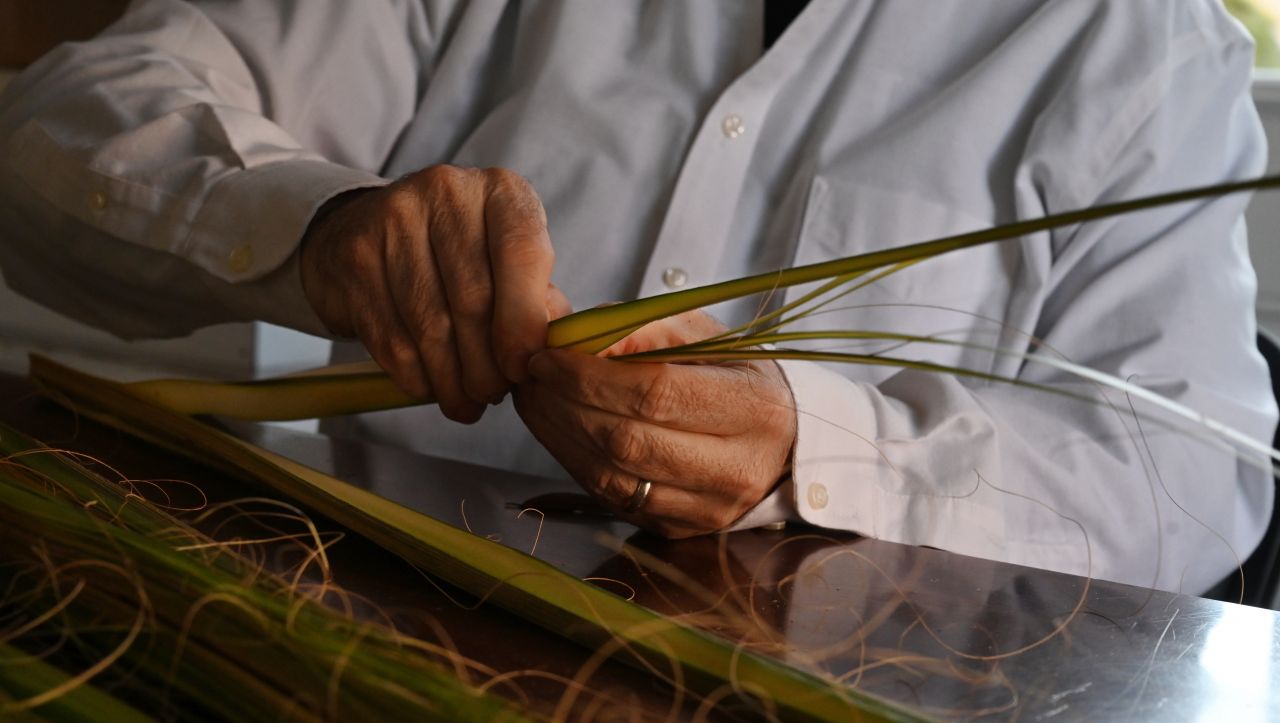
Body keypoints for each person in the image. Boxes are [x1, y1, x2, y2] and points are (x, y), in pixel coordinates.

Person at [0, 0, 1273, 594]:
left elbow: (1192, 471)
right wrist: (324, 227)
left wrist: (812, 447)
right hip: (364, 618)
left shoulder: (1142, 51)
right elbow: (53, 129)